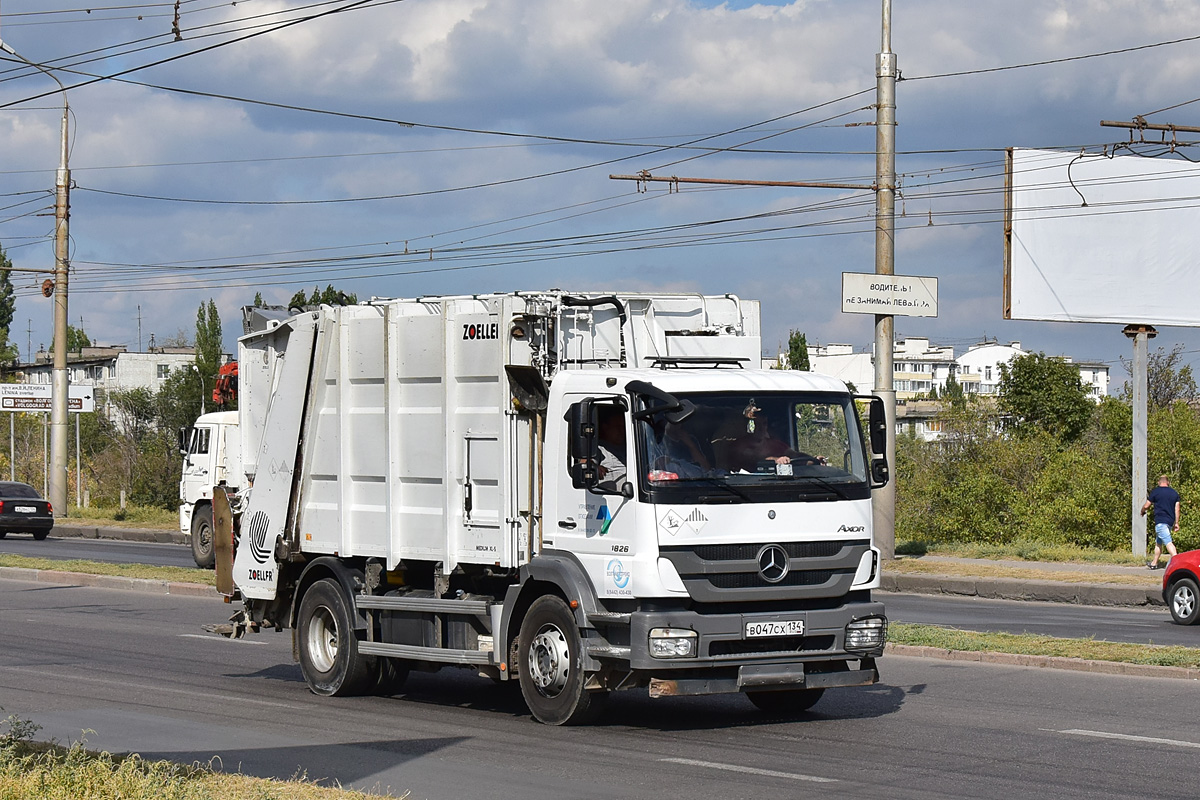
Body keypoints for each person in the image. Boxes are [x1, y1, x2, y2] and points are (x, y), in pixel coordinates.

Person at [715, 400, 825, 473]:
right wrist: (776, 460)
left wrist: (813, 460)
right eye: (756, 424)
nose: (761, 428)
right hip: (745, 487)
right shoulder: (738, 446)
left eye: (764, 424)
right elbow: (753, 459)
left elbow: (794, 455)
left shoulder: (775, 444)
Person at [1141, 474, 1180, 570]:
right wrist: (1176, 523)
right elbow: (1177, 509)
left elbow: (1146, 505)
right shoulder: (1174, 493)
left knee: (1168, 543)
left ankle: (1178, 563)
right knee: (1158, 542)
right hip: (1169, 522)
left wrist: (1142, 511)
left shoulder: (1156, 492)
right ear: (1168, 482)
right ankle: (1154, 563)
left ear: (1159, 482)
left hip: (1160, 522)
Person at [595, 408, 627, 492]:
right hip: (613, 495)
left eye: (623, 427)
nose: (621, 431)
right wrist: (594, 468)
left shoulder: (632, 449)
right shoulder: (598, 447)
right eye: (617, 427)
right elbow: (585, 463)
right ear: (605, 427)